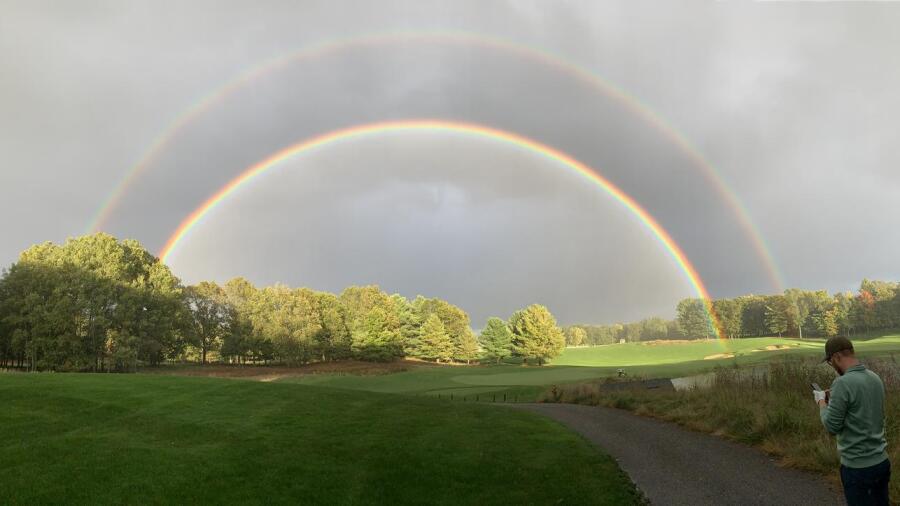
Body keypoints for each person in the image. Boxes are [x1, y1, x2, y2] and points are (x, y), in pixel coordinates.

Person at [817, 336, 890, 505]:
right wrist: (834, 399)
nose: (832, 366)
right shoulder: (874, 377)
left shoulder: (842, 383)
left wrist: (821, 402)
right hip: (881, 462)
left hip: (858, 468)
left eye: (830, 361)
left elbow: (831, 426)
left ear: (836, 357)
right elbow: (862, 409)